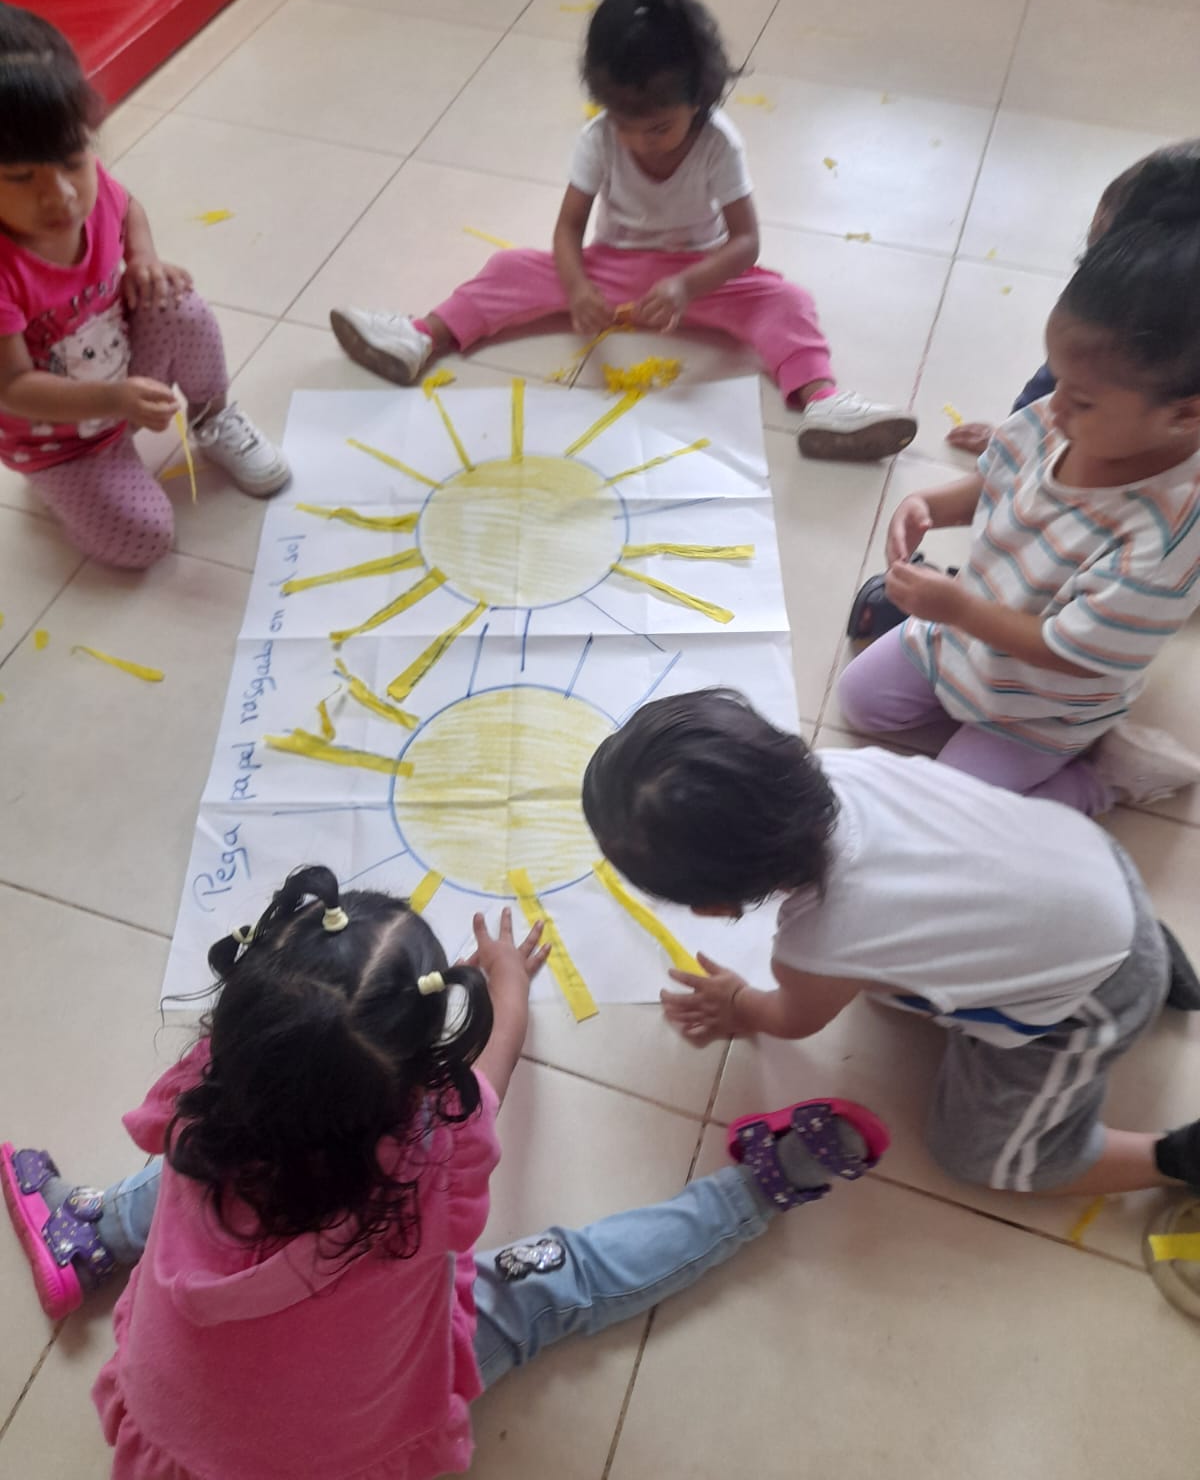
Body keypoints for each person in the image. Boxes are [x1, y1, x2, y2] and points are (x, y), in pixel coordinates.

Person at [1, 865, 887, 1480]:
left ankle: (85, 1228)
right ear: (420, 1070)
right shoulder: (431, 1155)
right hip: (343, 1458)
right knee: (560, 1281)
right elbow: (490, 1073)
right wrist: (508, 989)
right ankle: (757, 1188)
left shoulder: (200, 1092)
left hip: (179, 1445)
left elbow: (249, 1102)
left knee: (196, 1163)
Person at [582, 688, 1200, 1200]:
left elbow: (793, 1019)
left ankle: (1175, 1157)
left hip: (1096, 992)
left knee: (976, 1156)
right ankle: (1139, 944)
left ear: (712, 908)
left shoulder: (822, 940)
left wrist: (741, 1005)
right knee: (892, 985)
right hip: (1092, 863)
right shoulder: (843, 768)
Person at [329, 0, 914, 464]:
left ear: (698, 97)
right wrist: (577, 287)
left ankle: (821, 401)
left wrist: (687, 286)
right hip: (610, 270)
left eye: (658, 127)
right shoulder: (599, 137)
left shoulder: (718, 144)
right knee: (510, 268)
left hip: (698, 276)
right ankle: (421, 336)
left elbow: (745, 242)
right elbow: (567, 229)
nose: (639, 142)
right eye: (623, 124)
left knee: (787, 302)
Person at [836, 164, 1200, 815]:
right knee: (860, 703)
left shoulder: (1164, 536)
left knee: (952, 812)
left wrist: (957, 609)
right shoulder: (1066, 415)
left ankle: (1101, 780)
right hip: (964, 639)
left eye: (1080, 399)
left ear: (1184, 414)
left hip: (1045, 704)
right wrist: (931, 504)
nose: (1052, 406)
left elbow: (1072, 653)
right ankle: (970, 705)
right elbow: (999, 477)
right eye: (1055, 380)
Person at [0, 4, 289, 570]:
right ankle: (75, 482)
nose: (60, 196)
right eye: (20, 177)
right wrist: (113, 401)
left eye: (73, 161)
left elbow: (126, 205)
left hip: (124, 382)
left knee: (177, 301)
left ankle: (212, 418)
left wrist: (144, 259)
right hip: (58, 437)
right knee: (143, 541)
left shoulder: (91, 188)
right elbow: (12, 388)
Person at [946, 140, 1200, 459]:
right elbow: (1053, 384)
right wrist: (1014, 439)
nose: (1054, 407)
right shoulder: (1091, 341)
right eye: (1094, 261)